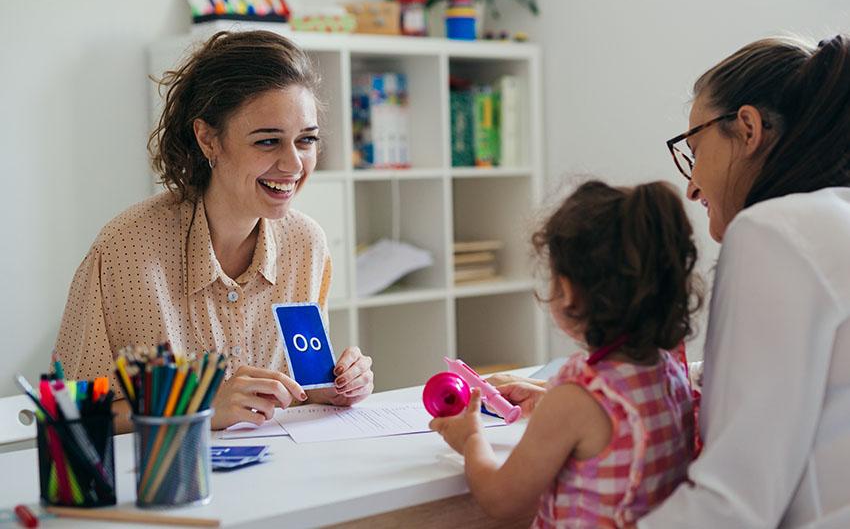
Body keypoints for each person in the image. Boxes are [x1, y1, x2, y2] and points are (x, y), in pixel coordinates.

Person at [52, 30, 374, 433]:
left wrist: (337, 385)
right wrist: (197, 406)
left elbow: (302, 389)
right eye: (268, 141)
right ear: (208, 139)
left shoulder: (306, 244)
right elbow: (68, 414)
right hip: (168, 487)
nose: (294, 165)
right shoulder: (125, 249)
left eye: (306, 140)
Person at [638, 35, 850, 528]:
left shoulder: (776, 232)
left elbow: (730, 506)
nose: (690, 186)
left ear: (748, 127)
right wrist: (625, 389)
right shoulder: (833, 219)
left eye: (694, 149)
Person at [430, 180, 702, 527]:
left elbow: (502, 500)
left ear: (569, 290)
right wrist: (548, 400)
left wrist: (470, 440)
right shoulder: (669, 371)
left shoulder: (576, 397)